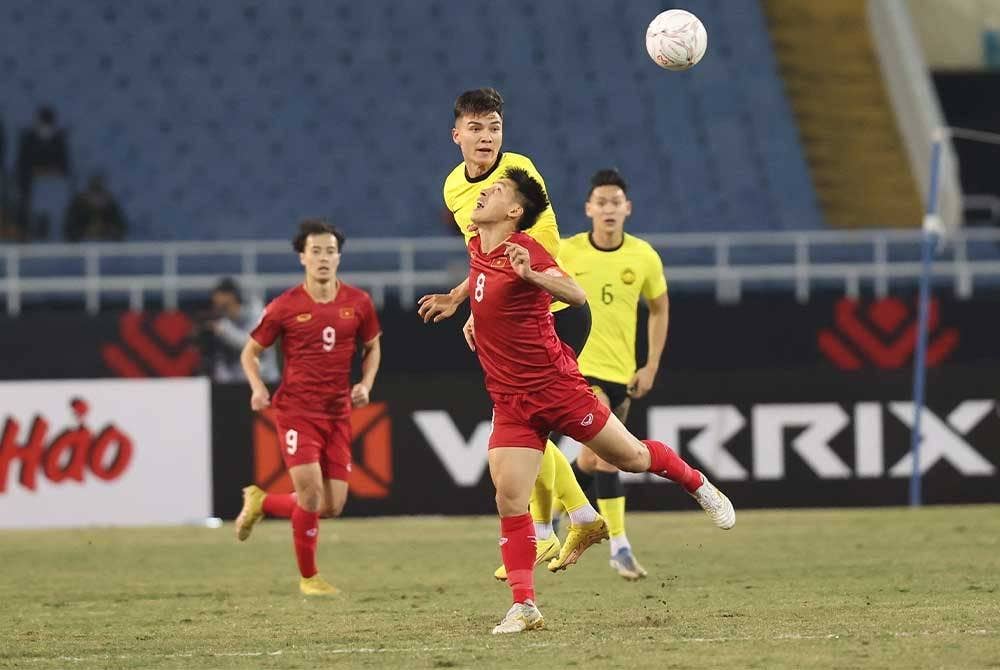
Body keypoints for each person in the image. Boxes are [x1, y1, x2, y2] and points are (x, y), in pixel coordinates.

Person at [463, 167, 734, 634]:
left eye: (497, 189)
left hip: (558, 387)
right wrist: (466, 309)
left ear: (514, 211)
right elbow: (483, 287)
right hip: (510, 398)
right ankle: (525, 606)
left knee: (630, 457)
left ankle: (696, 483)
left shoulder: (527, 250)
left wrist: (533, 276)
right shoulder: (476, 246)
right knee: (509, 499)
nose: (484, 191)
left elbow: (576, 292)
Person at [418, 88, 607, 578]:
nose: (486, 137)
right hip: (507, 310)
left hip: (550, 308)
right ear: (456, 134)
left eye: (494, 127)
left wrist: (487, 308)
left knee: (523, 418)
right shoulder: (454, 188)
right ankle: (572, 521)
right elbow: (485, 254)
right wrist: (466, 297)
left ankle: (560, 526)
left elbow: (531, 252)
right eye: (476, 128)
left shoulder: (518, 174)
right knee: (523, 421)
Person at [233, 219, 382, 596]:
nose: (323, 258)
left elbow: (372, 347)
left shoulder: (358, 303)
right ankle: (309, 578)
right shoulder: (284, 306)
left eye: (330, 251)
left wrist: (365, 384)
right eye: (315, 251)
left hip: (339, 413)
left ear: (339, 257)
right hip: (297, 411)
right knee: (312, 496)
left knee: (332, 506)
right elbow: (249, 353)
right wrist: (256, 388)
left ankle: (263, 500)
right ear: (302, 257)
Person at [557, 169, 669, 580]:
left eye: (614, 201)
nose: (608, 208)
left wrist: (651, 363)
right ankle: (619, 546)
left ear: (627, 208)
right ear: (589, 209)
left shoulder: (643, 257)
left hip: (622, 372)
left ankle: (555, 512)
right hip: (580, 371)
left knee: (592, 458)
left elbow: (659, 308)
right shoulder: (567, 252)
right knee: (608, 460)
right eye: (600, 202)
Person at [200, 277, 279, 384]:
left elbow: (252, 344)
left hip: (265, 381)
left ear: (230, 296)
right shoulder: (223, 320)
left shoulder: (256, 312)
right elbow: (222, 361)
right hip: (239, 385)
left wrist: (222, 330)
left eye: (218, 294)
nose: (214, 299)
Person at [63, 173, 127, 241]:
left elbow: (121, 230)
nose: (96, 197)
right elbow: (68, 231)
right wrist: (84, 233)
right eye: (93, 192)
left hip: (107, 246)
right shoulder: (77, 208)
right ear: (87, 193)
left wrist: (107, 231)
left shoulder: (111, 208)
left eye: (99, 192)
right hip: (80, 247)